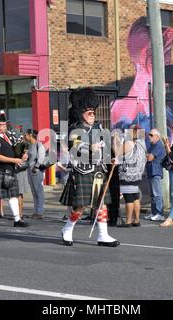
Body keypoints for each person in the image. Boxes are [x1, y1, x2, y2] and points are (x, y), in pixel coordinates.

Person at [59, 87, 119, 247]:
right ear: (81, 114)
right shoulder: (75, 129)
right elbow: (74, 147)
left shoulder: (99, 128)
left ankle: (103, 235)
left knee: (101, 203)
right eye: (89, 113)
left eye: (93, 112)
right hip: (82, 170)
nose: (93, 115)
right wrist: (90, 148)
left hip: (99, 170)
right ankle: (67, 228)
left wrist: (111, 159)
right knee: (81, 205)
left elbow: (105, 147)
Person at [0, 113, 28, 228]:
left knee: (13, 195)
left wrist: (21, 156)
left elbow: (13, 151)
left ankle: (17, 220)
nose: (3, 127)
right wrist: (14, 160)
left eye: (4, 125)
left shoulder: (8, 137)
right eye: (0, 125)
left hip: (10, 170)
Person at [115, 125, 147, 227]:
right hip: (137, 174)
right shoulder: (141, 143)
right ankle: (136, 220)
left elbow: (117, 152)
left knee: (128, 198)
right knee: (135, 197)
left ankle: (128, 221)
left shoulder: (129, 143)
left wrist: (115, 140)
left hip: (127, 174)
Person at [144, 128, 166, 222]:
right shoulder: (152, 145)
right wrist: (147, 155)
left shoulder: (158, 145)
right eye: (149, 135)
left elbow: (149, 158)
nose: (149, 137)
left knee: (157, 194)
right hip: (150, 171)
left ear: (157, 136)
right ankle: (154, 213)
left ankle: (159, 214)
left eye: (151, 135)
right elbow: (146, 155)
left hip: (155, 171)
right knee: (153, 194)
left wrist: (147, 155)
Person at [25, 129, 45, 219]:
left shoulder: (39, 145)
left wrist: (36, 167)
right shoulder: (29, 145)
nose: (25, 136)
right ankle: (35, 211)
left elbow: (41, 157)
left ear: (30, 135)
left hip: (36, 171)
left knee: (39, 192)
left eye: (26, 135)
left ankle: (40, 212)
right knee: (34, 192)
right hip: (29, 170)